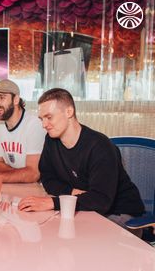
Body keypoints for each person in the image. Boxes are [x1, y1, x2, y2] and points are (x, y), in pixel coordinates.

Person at [18, 88, 145, 232]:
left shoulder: (100, 146)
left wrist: (53, 202)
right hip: (87, 208)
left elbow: (101, 200)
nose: (44, 125)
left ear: (69, 112)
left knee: (79, 239)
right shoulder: (51, 140)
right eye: (41, 119)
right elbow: (48, 178)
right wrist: (71, 192)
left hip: (121, 215)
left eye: (49, 117)